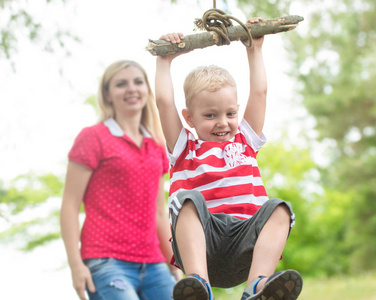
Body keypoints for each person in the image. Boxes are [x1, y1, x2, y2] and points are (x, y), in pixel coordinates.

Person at [154, 17, 303, 300]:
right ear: (189, 118)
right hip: (202, 246)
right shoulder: (184, 149)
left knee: (280, 208)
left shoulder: (245, 141)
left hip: (243, 248)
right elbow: (163, 102)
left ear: (237, 111)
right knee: (188, 199)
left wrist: (254, 49)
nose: (223, 123)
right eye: (210, 115)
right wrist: (164, 61)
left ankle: (257, 286)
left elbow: (259, 92)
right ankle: (199, 285)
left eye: (230, 114)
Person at [60, 60, 182, 300]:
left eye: (138, 82)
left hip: (153, 262)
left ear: (147, 89)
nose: (131, 89)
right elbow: (70, 205)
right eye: (121, 84)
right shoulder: (93, 137)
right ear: (107, 94)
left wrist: (174, 265)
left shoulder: (156, 146)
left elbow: (159, 213)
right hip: (105, 260)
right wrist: (76, 265)